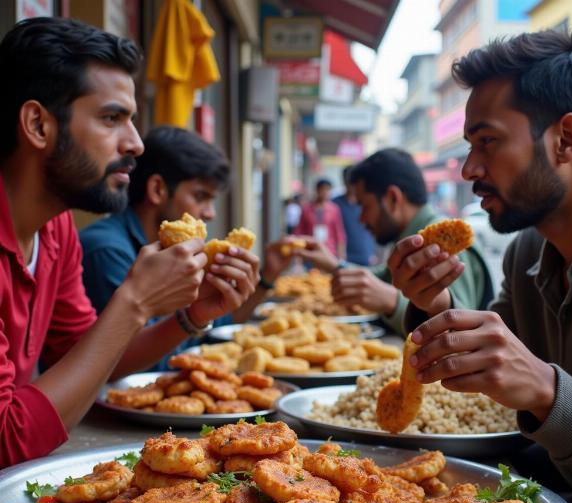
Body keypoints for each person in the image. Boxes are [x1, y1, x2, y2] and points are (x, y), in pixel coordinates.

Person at [386, 28, 572, 503]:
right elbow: (498, 354)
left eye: (488, 142)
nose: (468, 170)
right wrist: (434, 303)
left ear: (567, 139)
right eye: (468, 146)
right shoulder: (529, 250)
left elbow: (529, 379)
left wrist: (549, 393)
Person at [0, 17, 258, 467]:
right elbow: (7, 436)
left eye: (132, 121)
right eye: (111, 118)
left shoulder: (56, 231)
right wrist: (134, 301)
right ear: (38, 125)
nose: (136, 144)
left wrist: (192, 315)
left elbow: (93, 358)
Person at [80, 126, 294, 363]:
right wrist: (190, 319)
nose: (211, 213)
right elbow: (134, 364)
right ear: (158, 189)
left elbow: (212, 327)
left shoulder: (172, 256)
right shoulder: (108, 252)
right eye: (201, 196)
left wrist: (266, 277)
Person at [295, 149, 494, 335]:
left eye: (365, 206)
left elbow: (462, 333)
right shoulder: (410, 239)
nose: (361, 219)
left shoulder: (443, 246)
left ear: (392, 198)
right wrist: (333, 265)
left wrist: (391, 302)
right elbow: (381, 277)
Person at [332, 165, 377, 266]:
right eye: (349, 182)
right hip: (343, 257)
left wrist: (372, 252)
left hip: (366, 256)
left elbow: (374, 228)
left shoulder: (368, 203)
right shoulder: (335, 204)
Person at [294, 178, 346, 258]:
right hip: (310, 251)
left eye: (327, 190)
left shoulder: (334, 209)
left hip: (329, 251)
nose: (324, 193)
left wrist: (341, 256)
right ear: (317, 190)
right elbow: (299, 231)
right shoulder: (307, 209)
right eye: (322, 189)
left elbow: (339, 233)